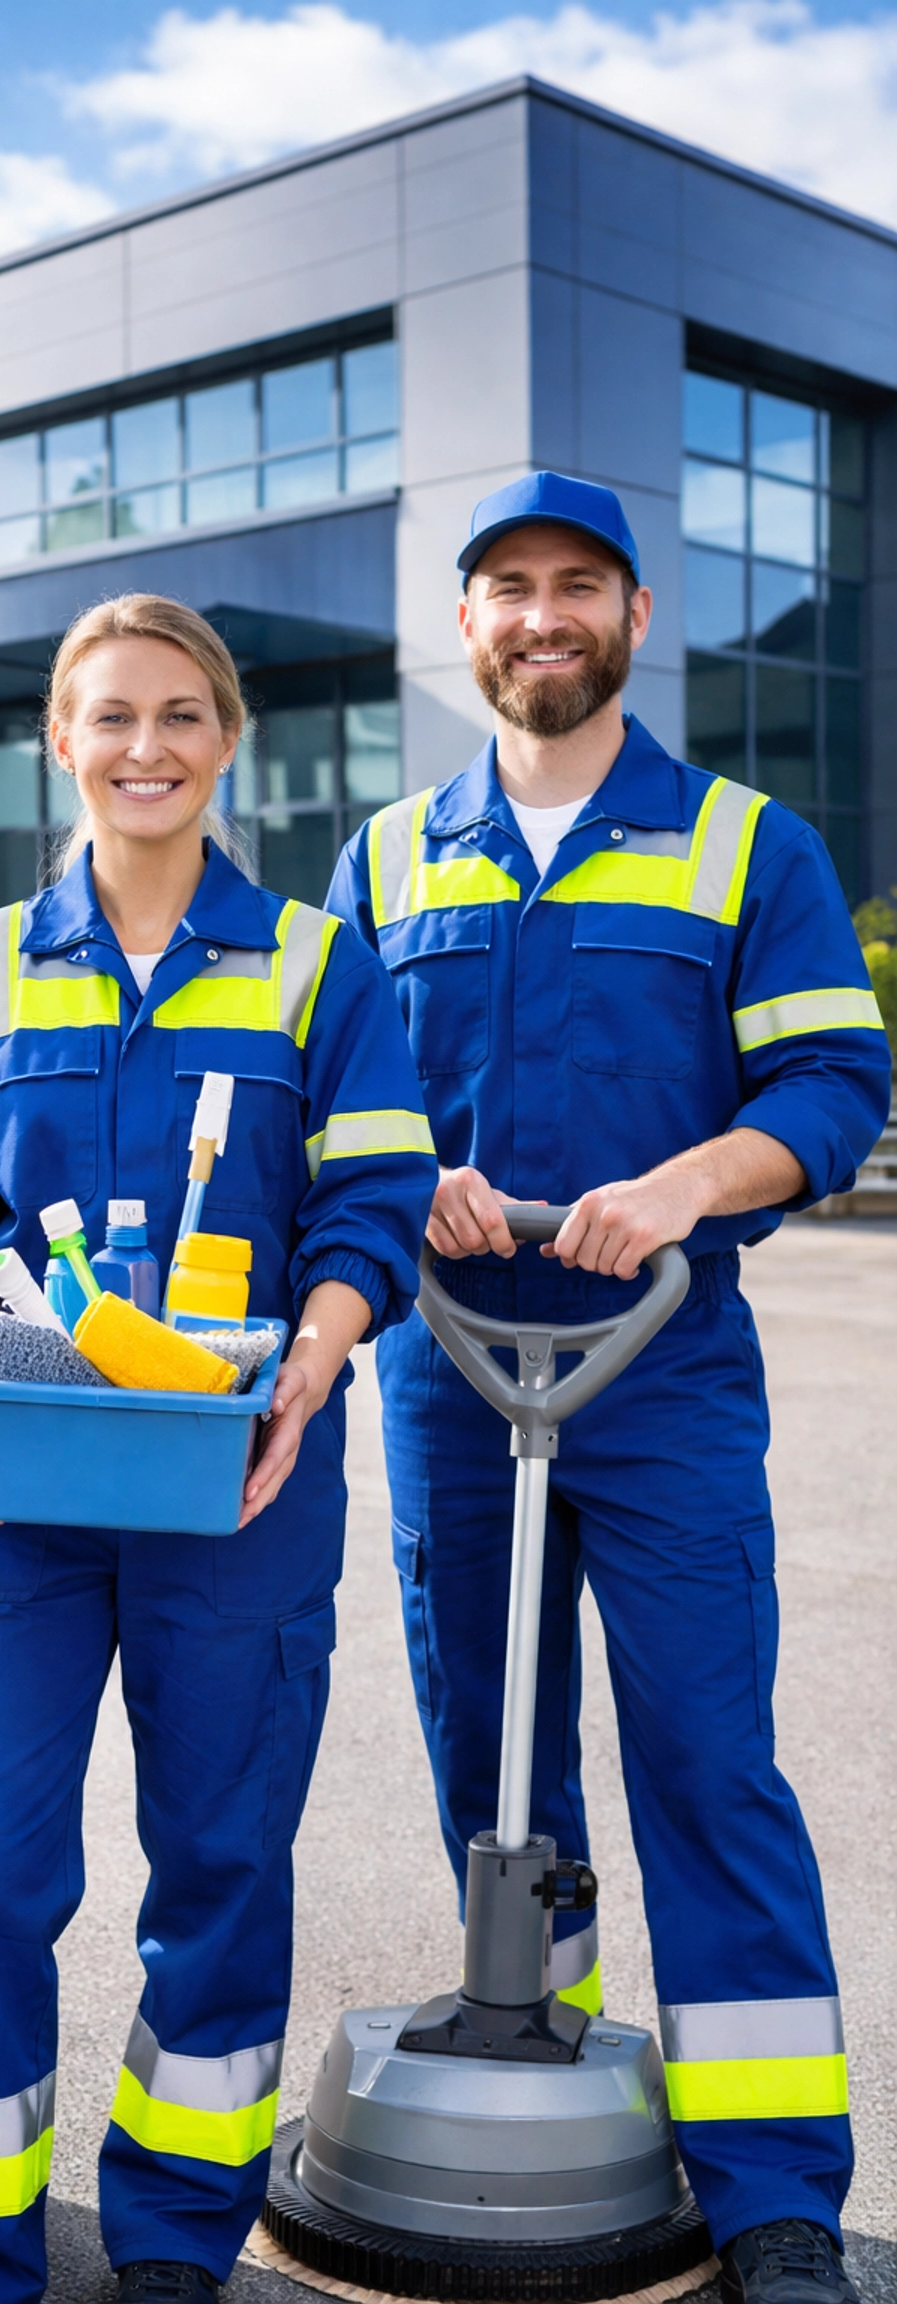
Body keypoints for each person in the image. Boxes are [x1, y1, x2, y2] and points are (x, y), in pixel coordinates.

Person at [329, 472, 891, 2304]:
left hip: (659, 1371)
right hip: (445, 1366)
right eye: (507, 588)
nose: (541, 617)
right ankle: (540, 2032)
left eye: (579, 586)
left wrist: (682, 1188)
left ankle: (773, 2192)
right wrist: (403, 1176)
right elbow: (325, 1101)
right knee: (489, 1735)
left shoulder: (746, 845)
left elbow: (827, 1096)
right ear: (467, 626)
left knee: (710, 1758)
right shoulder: (387, 855)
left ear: (636, 617)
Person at [0, 593, 436, 2304]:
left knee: (219, 1871)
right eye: (111, 716)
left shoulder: (315, 963)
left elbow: (374, 1200)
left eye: (181, 715)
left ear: (228, 738)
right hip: (15, 1495)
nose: (146, 749)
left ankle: (181, 2236)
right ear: (61, 737)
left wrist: (316, 1358)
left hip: (236, 1492)